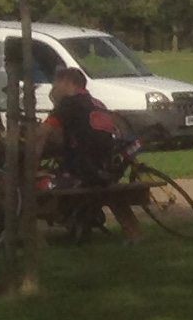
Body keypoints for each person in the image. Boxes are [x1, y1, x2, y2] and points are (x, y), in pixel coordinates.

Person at [45, 64, 141, 238]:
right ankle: (134, 234)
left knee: (37, 183)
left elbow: (43, 133)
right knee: (111, 194)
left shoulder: (69, 103)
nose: (54, 88)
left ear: (67, 82)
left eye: (56, 84)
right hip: (106, 169)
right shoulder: (96, 103)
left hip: (84, 172)